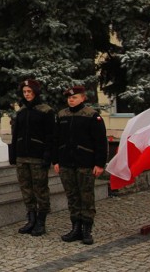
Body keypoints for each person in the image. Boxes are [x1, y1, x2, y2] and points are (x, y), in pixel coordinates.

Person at [53, 86, 107, 245]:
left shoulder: (91, 115)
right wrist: (56, 161)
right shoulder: (62, 115)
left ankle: (86, 230)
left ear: (83, 98)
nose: (71, 100)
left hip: (85, 163)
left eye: (74, 97)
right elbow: (56, 140)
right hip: (66, 163)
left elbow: (100, 141)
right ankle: (75, 227)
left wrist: (99, 163)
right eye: (69, 97)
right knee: (72, 196)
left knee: (86, 196)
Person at [9, 79, 55, 236]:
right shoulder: (21, 112)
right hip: (22, 156)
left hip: (38, 157)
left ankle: (41, 221)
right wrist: (13, 155)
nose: (27, 94)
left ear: (36, 92)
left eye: (29, 91)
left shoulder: (46, 111)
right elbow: (15, 135)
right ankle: (31, 219)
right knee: (26, 190)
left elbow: (50, 136)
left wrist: (48, 155)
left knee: (40, 189)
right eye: (24, 92)